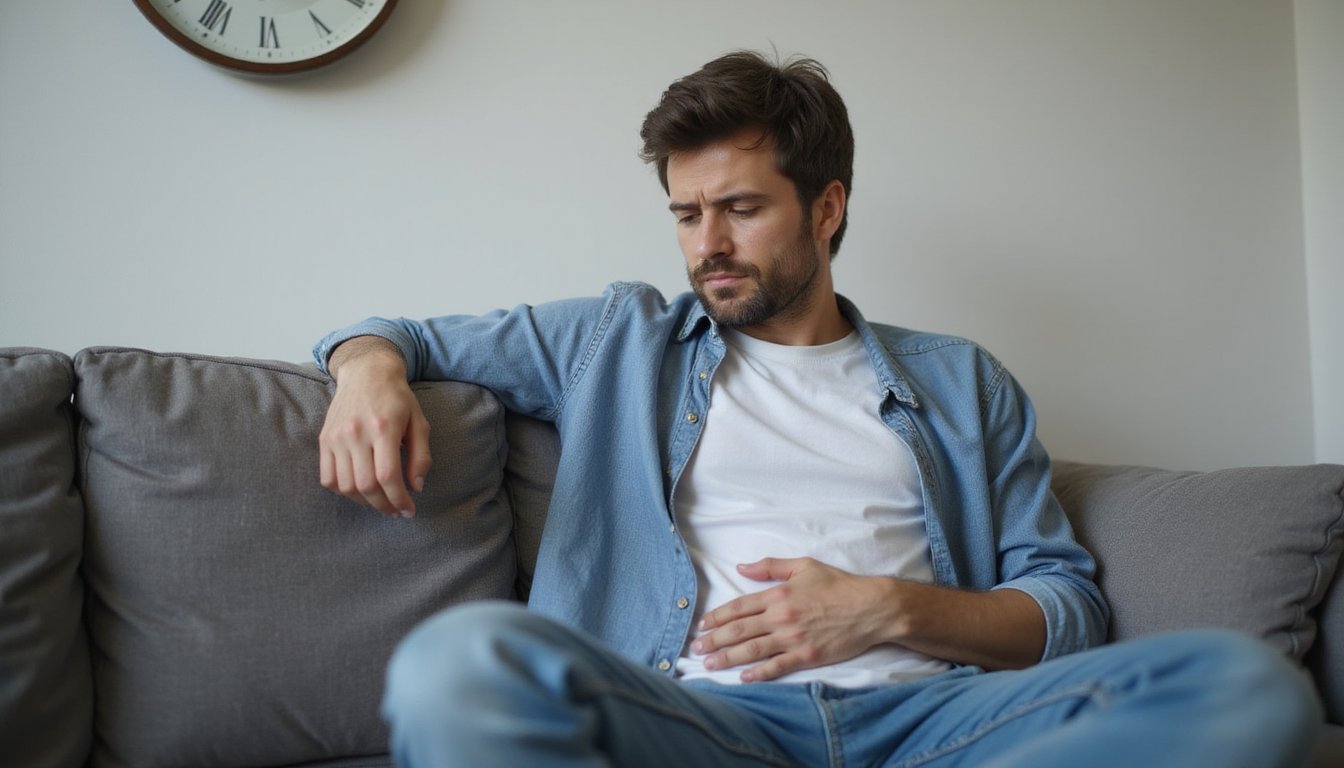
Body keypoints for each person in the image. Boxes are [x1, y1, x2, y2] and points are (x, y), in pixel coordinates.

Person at [314, 51, 1319, 767]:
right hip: (697, 723)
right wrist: (367, 371)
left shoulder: (964, 382)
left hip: (936, 727)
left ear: (826, 209)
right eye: (686, 213)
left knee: (1244, 683)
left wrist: (889, 609)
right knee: (459, 663)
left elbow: (1066, 610)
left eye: (740, 209)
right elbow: (393, 332)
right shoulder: (615, 340)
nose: (707, 243)